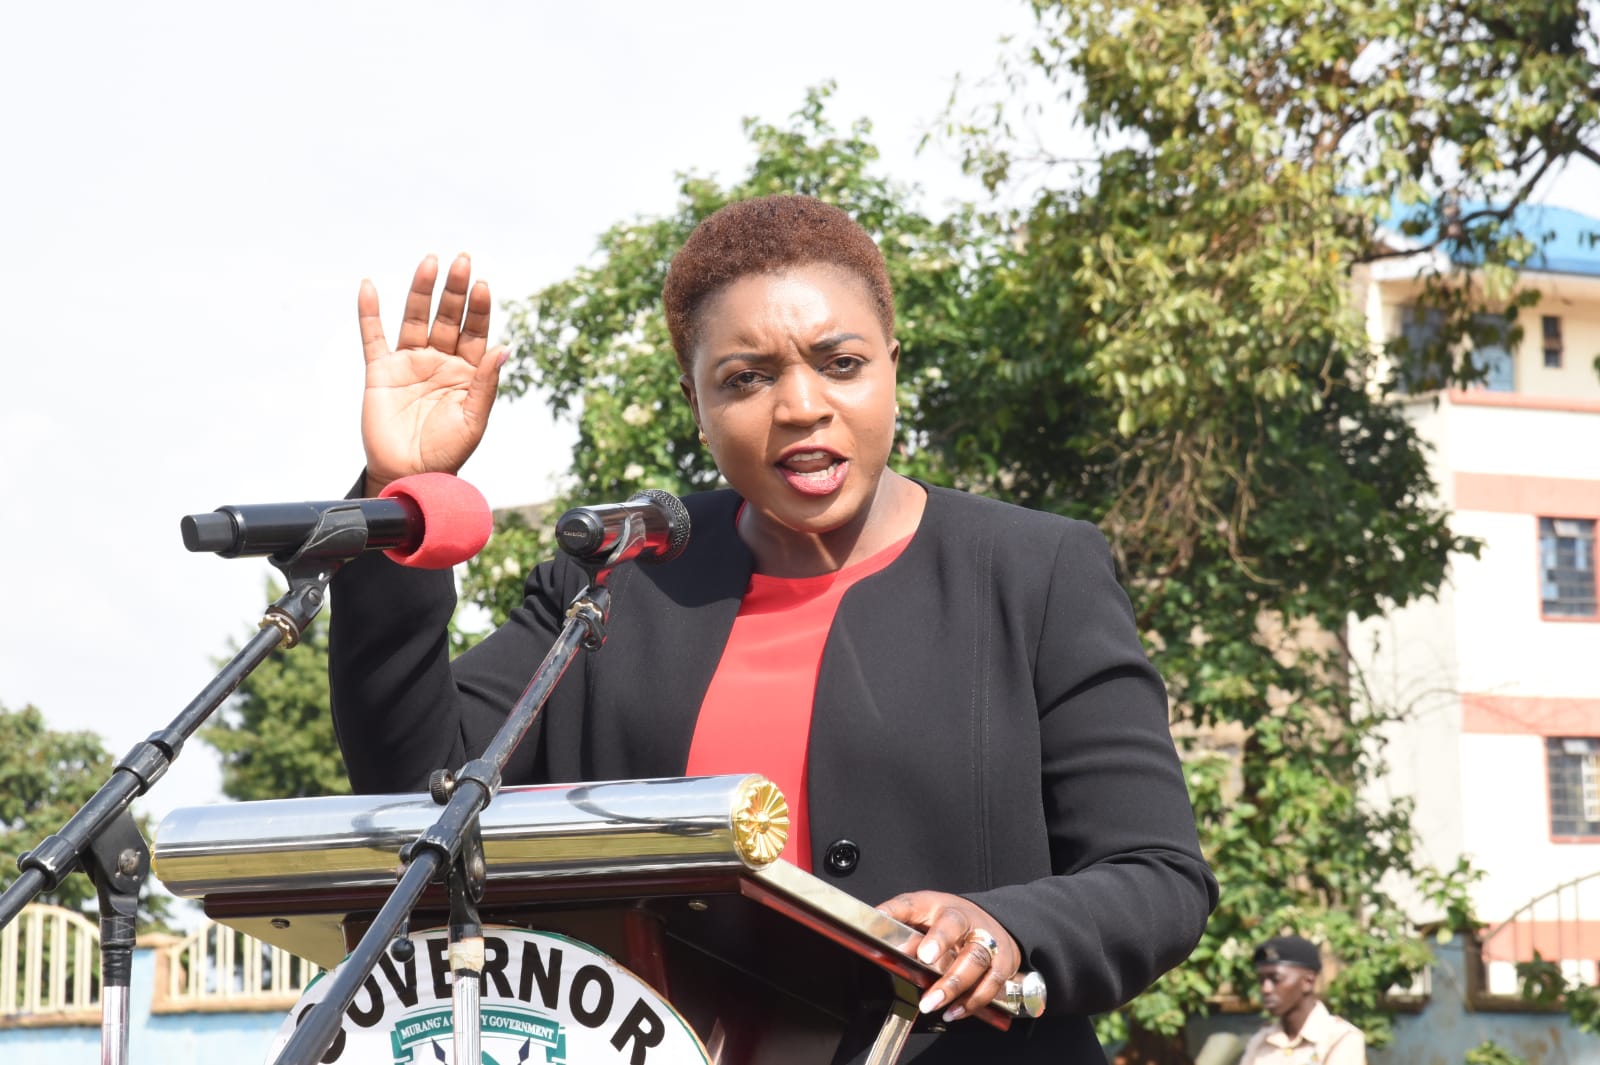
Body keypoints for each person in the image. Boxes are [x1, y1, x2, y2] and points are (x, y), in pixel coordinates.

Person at [327, 194, 1218, 1062]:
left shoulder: (1035, 572)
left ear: (893, 366)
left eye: (840, 362)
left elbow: (1156, 876)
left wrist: (1007, 927)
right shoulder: (616, 578)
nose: (799, 405)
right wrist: (399, 498)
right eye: (745, 378)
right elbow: (422, 784)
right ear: (696, 402)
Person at [1239, 935, 1366, 1065]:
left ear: (1308, 981)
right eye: (1261, 980)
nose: (1266, 989)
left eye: (1275, 979)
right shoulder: (1260, 1042)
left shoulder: (1340, 1039)